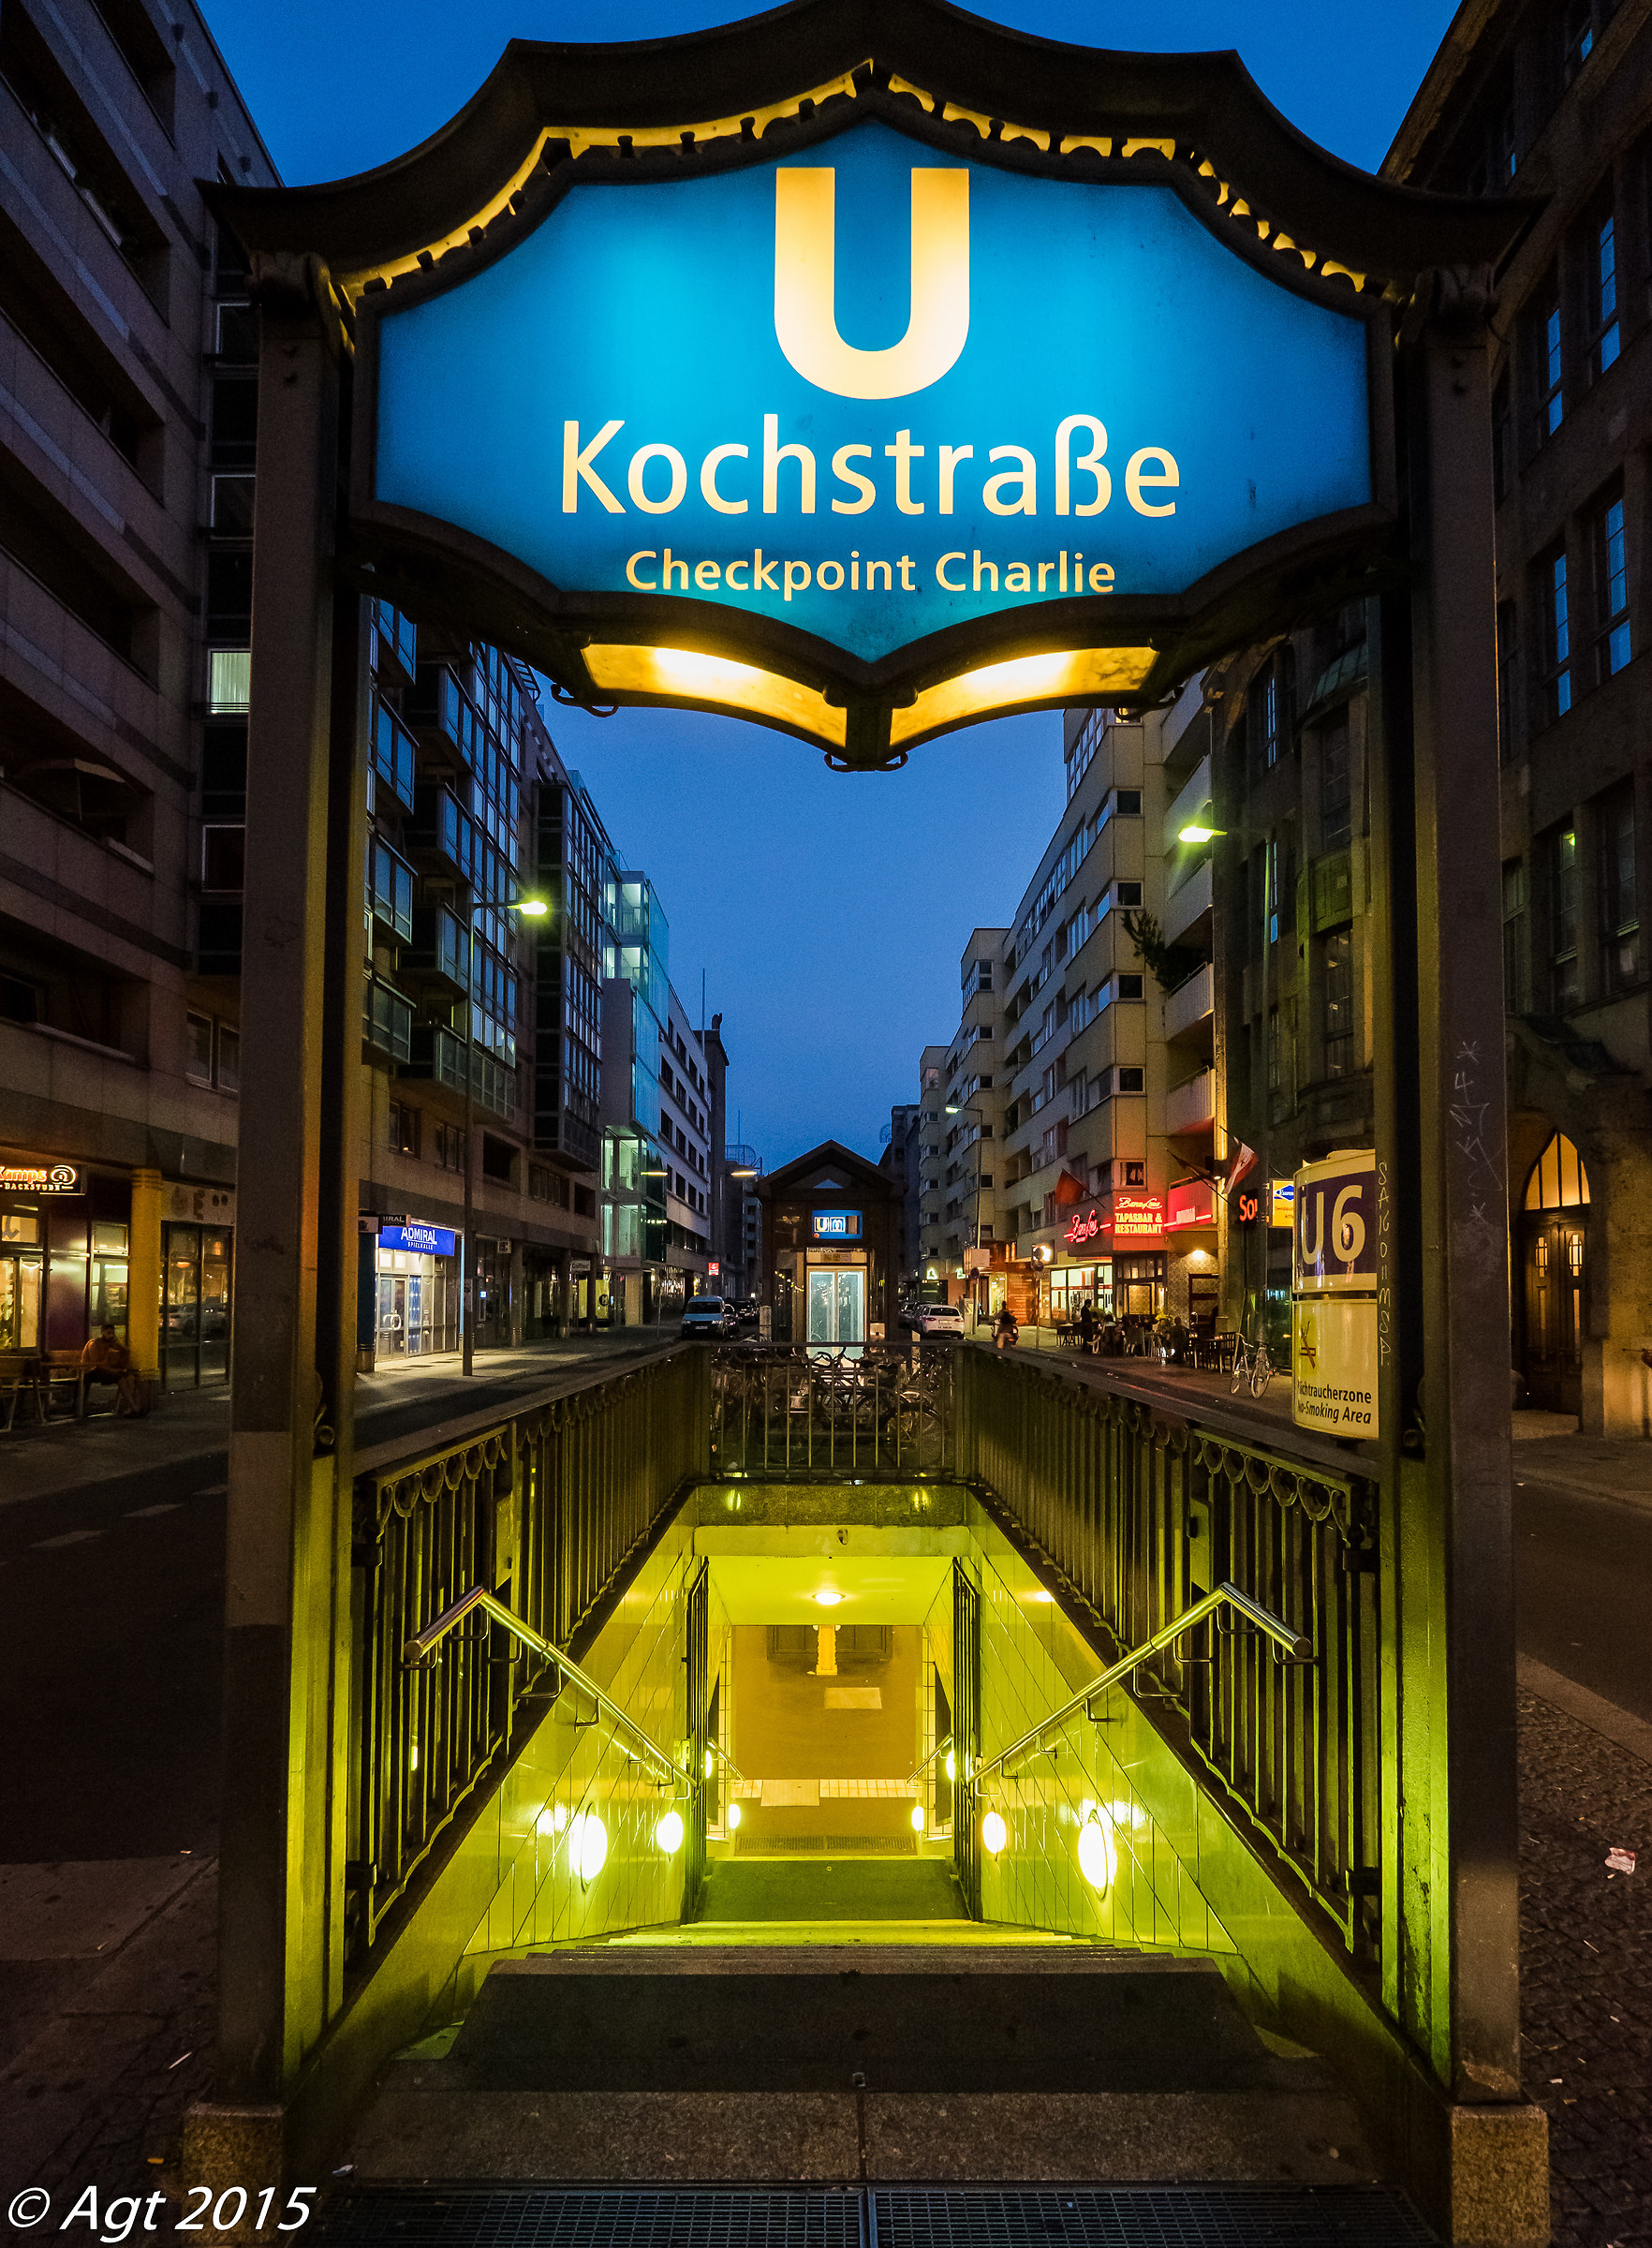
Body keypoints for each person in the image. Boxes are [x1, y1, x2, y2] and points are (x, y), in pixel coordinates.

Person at [79, 1324, 147, 1416]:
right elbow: (97, 1364)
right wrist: (109, 1354)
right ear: (102, 1332)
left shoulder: (112, 1344)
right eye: (108, 1333)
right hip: (91, 1371)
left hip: (106, 1370)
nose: (111, 1335)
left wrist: (120, 1347)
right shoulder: (94, 1344)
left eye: (112, 1333)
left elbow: (123, 1357)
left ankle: (131, 1406)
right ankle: (134, 1407)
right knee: (120, 1379)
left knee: (130, 1377)